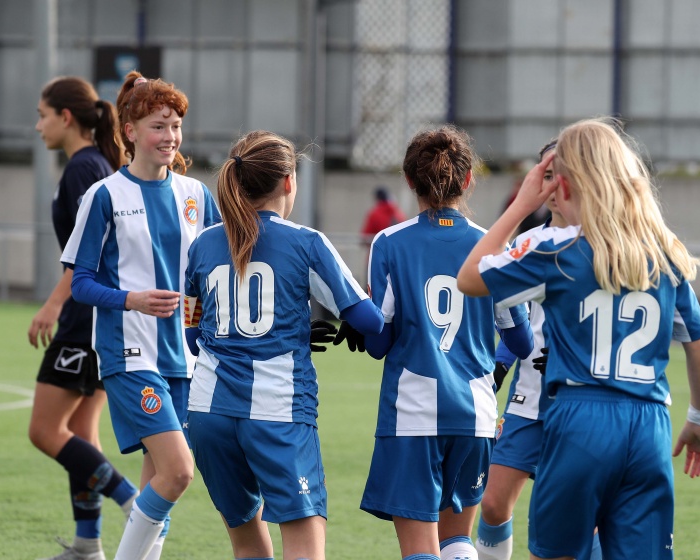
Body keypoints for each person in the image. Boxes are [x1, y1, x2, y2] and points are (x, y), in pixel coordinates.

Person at [458, 117, 700, 560]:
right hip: (651, 421)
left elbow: (469, 278)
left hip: (581, 416)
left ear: (564, 181)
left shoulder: (555, 250)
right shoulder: (663, 253)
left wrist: (521, 206)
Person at [183, 130, 383, 560]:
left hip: (206, 414)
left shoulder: (201, 244)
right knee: (305, 544)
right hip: (278, 411)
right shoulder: (306, 242)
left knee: (248, 545)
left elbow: (192, 333)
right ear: (289, 182)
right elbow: (368, 320)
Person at [61, 71, 221, 560]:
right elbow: (80, 282)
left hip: (185, 360)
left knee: (160, 483)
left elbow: (215, 275)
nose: (169, 136)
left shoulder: (196, 196)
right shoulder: (105, 195)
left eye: (175, 125)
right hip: (128, 355)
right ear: (129, 130)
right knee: (179, 471)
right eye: (158, 126)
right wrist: (131, 299)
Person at [353, 125, 533, 560]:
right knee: (457, 542)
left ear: (410, 181)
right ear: (468, 180)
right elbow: (522, 341)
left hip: (413, 413)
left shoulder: (390, 242)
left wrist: (360, 324)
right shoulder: (490, 245)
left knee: (420, 548)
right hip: (474, 412)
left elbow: (380, 341)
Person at [27, 76, 139, 560]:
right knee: (84, 436)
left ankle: (136, 503)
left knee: (46, 431)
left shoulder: (82, 170)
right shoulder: (94, 166)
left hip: (82, 320)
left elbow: (84, 255)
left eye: (42, 114)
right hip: (100, 318)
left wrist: (54, 304)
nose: (37, 126)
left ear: (65, 117)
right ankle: (88, 545)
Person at [475, 140, 602, 560]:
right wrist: (499, 367)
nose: (550, 184)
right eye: (544, 175)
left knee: (586, 515)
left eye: (557, 175)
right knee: (492, 503)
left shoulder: (604, 244)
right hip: (531, 397)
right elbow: (515, 313)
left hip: (585, 398)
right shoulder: (532, 241)